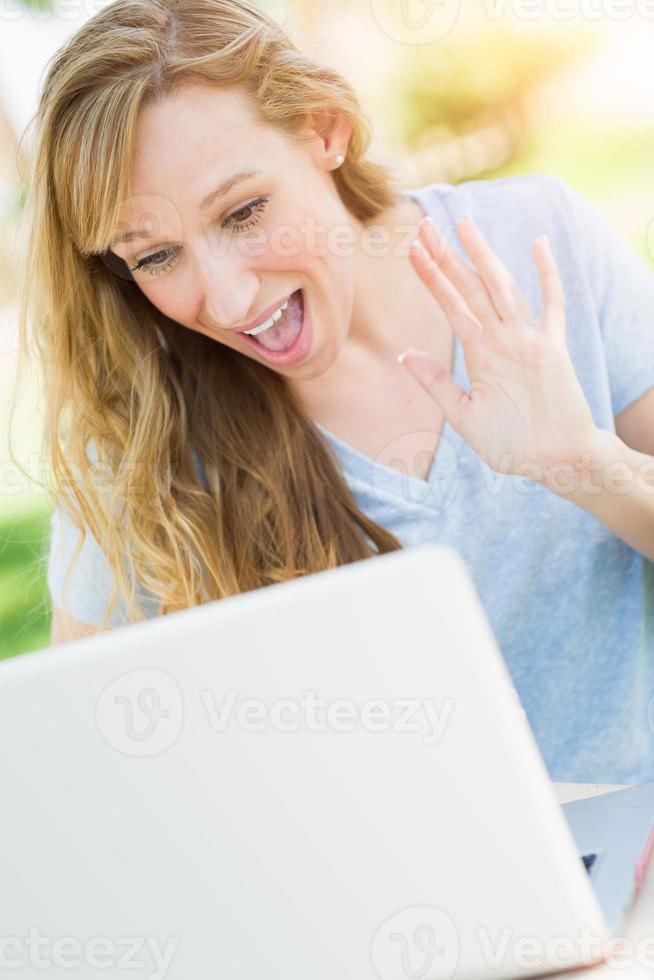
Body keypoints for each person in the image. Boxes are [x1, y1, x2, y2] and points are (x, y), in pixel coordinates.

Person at [19, 0, 654, 782]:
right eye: (155, 258)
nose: (226, 299)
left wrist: (585, 464)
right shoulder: (144, 439)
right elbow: (78, 771)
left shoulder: (538, 244)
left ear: (324, 128)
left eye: (244, 212)